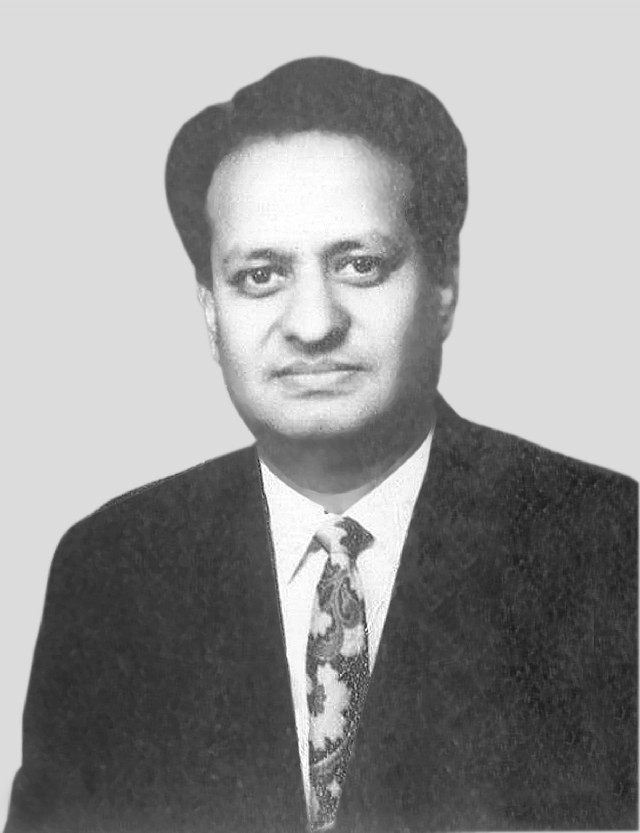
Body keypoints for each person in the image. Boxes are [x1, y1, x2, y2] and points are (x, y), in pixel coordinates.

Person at [4, 57, 637, 833]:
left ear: (443, 284)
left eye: (360, 265)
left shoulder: (612, 544)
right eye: (260, 275)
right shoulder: (111, 569)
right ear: (210, 310)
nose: (312, 324)